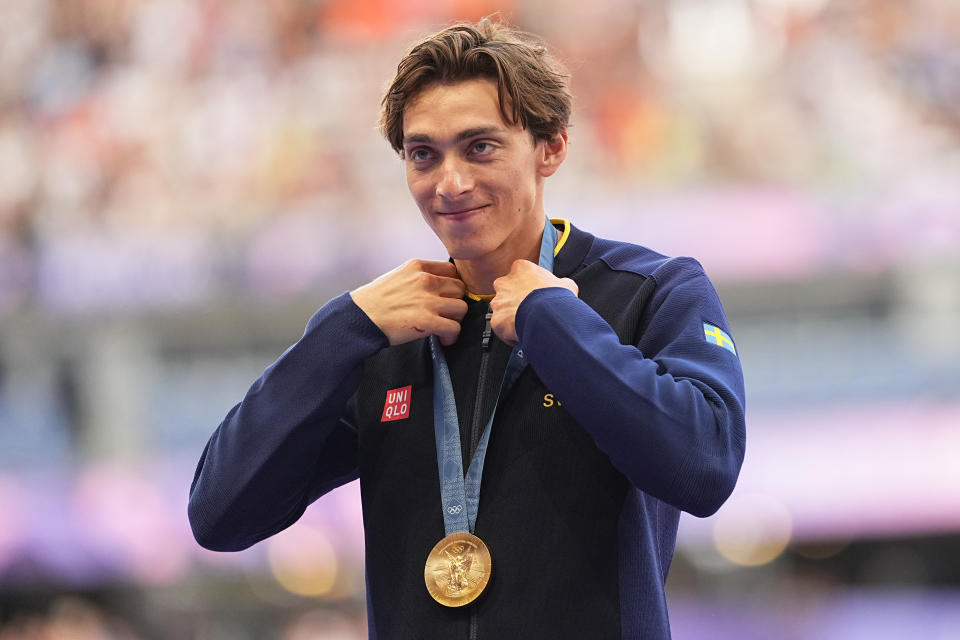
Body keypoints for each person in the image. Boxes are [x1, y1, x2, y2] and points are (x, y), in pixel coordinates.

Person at [188, 18, 745, 640]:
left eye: (480, 147)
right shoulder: (387, 330)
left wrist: (552, 321)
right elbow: (220, 515)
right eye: (423, 154)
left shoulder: (650, 289)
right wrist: (340, 330)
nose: (449, 184)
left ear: (551, 147)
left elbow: (703, 466)